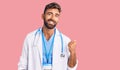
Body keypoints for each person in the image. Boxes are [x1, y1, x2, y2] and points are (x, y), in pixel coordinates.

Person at [18, 2, 78, 70]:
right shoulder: (30, 38)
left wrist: (73, 52)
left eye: (56, 15)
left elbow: (71, 67)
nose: (52, 18)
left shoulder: (66, 40)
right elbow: (22, 65)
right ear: (43, 16)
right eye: (49, 14)